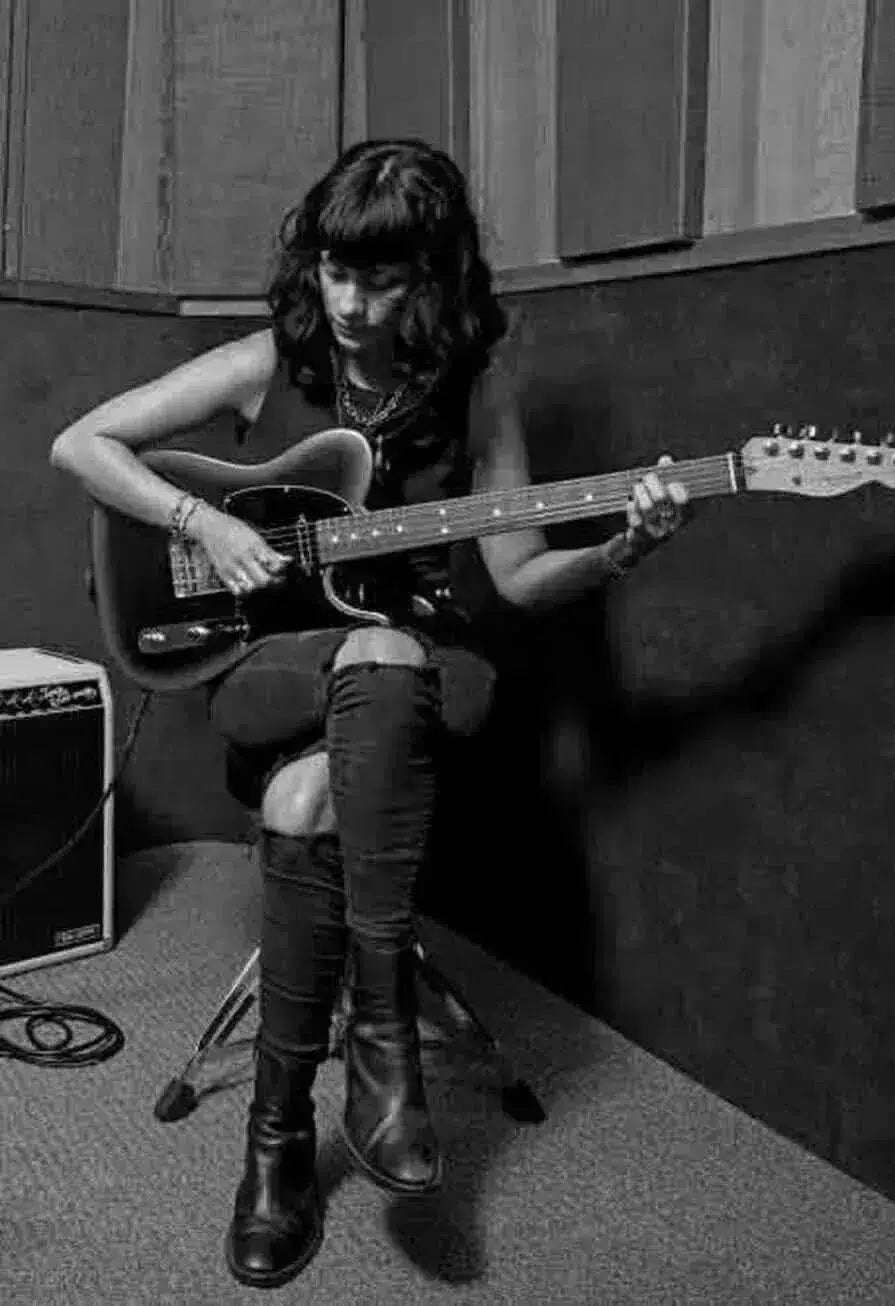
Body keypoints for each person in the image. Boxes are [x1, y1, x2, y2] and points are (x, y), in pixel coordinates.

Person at [50, 138, 689, 1289]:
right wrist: (206, 524)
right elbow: (80, 443)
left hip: (421, 664)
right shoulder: (268, 363)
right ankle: (383, 1040)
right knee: (372, 655)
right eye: (337, 272)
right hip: (272, 662)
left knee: (311, 795)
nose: (350, 304)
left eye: (382, 281)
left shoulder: (474, 390)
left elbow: (519, 576)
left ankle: (277, 1143)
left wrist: (618, 551)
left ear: (433, 278)